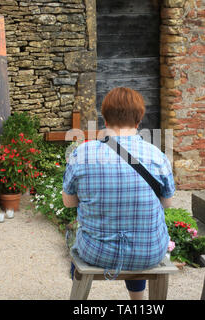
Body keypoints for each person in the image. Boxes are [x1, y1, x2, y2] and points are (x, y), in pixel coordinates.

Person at [62, 87, 175, 300]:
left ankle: (78, 291)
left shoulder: (83, 152)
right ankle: (138, 301)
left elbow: (68, 203)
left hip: (96, 252)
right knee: (137, 231)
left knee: (74, 234)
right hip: (149, 253)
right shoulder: (157, 156)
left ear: (104, 118)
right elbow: (167, 203)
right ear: (139, 119)